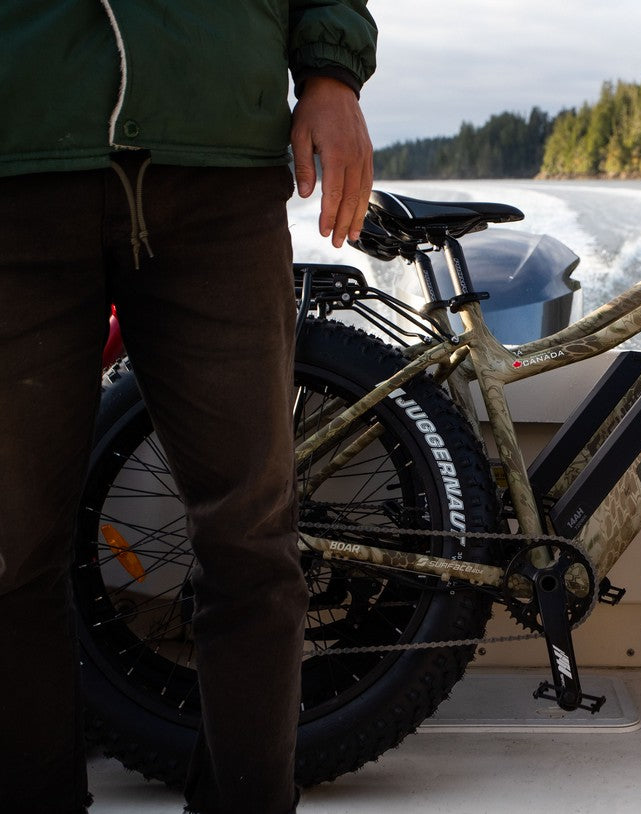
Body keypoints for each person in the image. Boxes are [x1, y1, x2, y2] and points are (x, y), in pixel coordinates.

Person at [0, 3, 376, 812]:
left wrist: (331, 73)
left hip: (220, 170)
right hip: (15, 159)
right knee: (7, 548)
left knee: (252, 544)